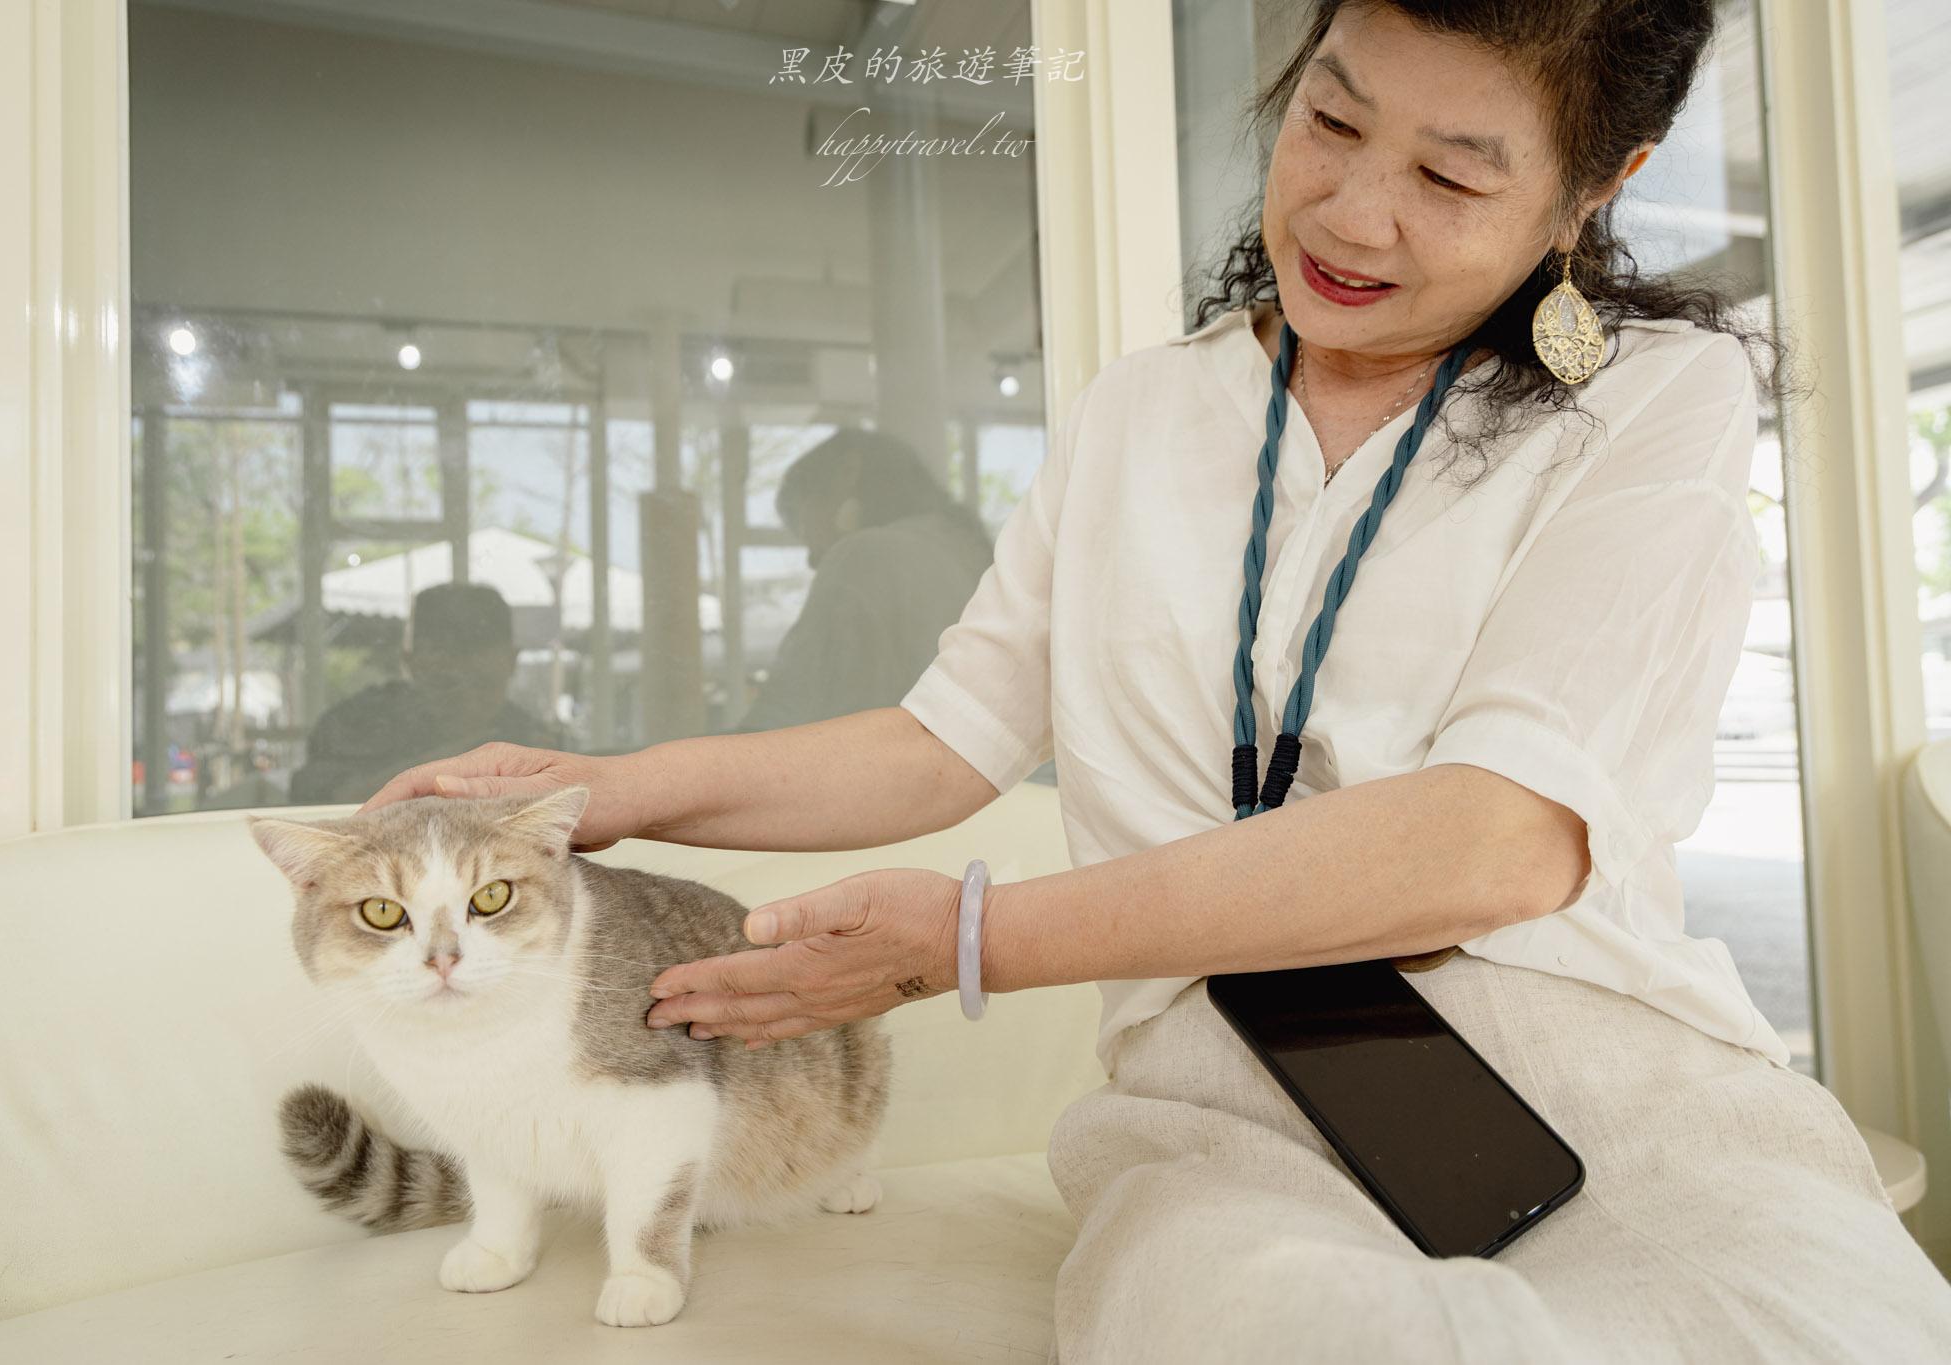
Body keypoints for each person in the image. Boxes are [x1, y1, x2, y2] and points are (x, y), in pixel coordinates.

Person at [354, 1, 1951, 1357]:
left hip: (1620, 1100)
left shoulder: (1656, 400)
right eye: (1330, 122)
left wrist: (971, 940)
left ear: (1597, 190)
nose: (1352, 213)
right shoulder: (1140, 413)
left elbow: (1499, 837)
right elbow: (940, 740)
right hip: (1222, 1111)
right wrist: (610, 790)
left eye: (1455, 176)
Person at [733, 428, 996, 733]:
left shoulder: (867, 555)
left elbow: (783, 715)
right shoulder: (961, 549)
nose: (811, 558)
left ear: (847, 472)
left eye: (801, 523)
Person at [289, 582, 559, 805]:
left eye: (482, 684)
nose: (466, 700)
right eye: (446, 684)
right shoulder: (352, 725)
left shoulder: (535, 743)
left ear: (510, 662)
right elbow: (311, 808)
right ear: (411, 662)